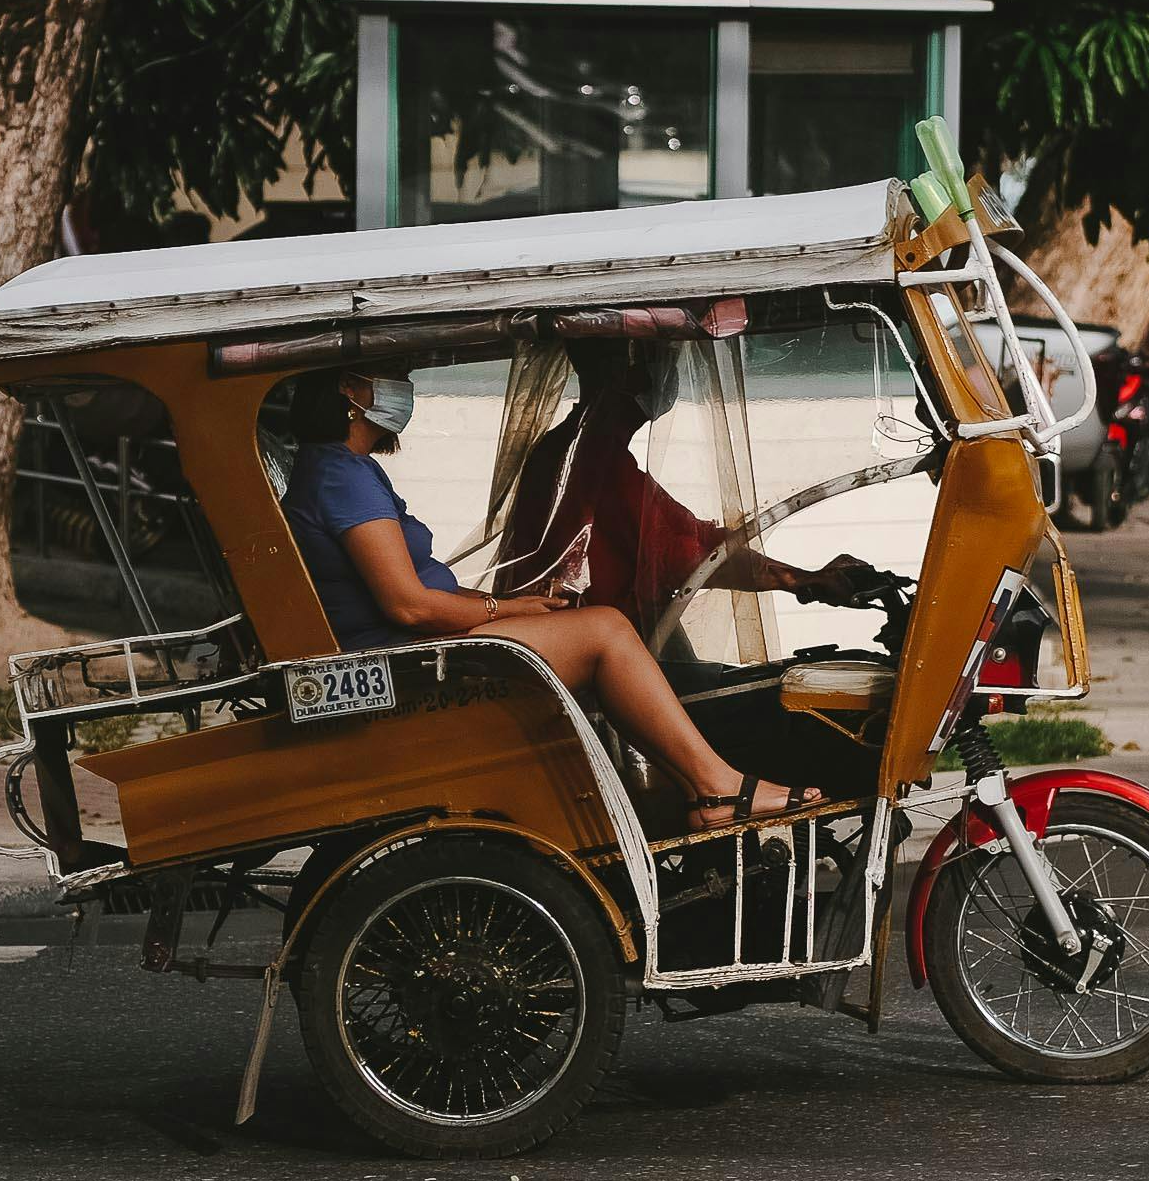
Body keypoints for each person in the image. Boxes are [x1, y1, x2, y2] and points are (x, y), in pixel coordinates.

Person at [279, 368, 800, 829]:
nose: (405, 387)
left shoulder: (347, 470)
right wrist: (505, 610)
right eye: (394, 373)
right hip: (403, 657)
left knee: (598, 627)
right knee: (607, 630)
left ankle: (675, 789)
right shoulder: (340, 474)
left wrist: (521, 603)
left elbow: (426, 585)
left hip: (417, 642)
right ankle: (716, 790)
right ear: (351, 388)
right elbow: (408, 605)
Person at [494, 339, 877, 638]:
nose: (667, 373)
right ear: (628, 367)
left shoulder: (580, 446)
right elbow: (687, 555)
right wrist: (800, 580)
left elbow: (691, 538)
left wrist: (803, 577)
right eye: (661, 358)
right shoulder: (591, 456)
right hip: (593, 645)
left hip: (610, 634)